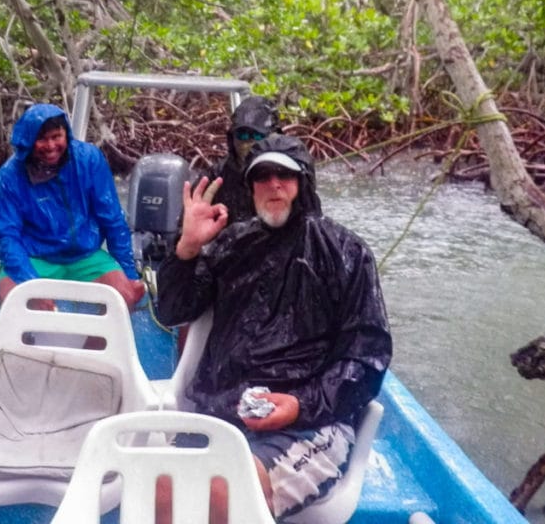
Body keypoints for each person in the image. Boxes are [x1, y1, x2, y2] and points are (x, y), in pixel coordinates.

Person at [155, 133, 392, 523]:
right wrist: (187, 250)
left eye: (285, 175)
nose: (274, 185)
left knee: (226, 489)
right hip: (223, 410)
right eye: (262, 176)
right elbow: (173, 311)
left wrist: (300, 405)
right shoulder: (231, 245)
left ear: (303, 183)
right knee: (163, 483)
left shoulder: (347, 253)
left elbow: (366, 359)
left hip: (311, 420)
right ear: (250, 188)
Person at [0, 103, 146, 310]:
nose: (51, 145)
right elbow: (5, 237)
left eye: (56, 137)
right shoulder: (9, 177)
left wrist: (129, 274)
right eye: (42, 139)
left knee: (125, 297)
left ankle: (93, 343)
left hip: (85, 256)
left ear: (66, 134)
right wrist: (31, 285)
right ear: (29, 141)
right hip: (35, 257)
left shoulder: (89, 160)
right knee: (13, 299)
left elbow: (113, 221)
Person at [210, 95, 281, 224]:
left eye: (257, 136)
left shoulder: (289, 177)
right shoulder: (216, 176)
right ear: (232, 137)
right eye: (242, 134)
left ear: (274, 137)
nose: (247, 143)